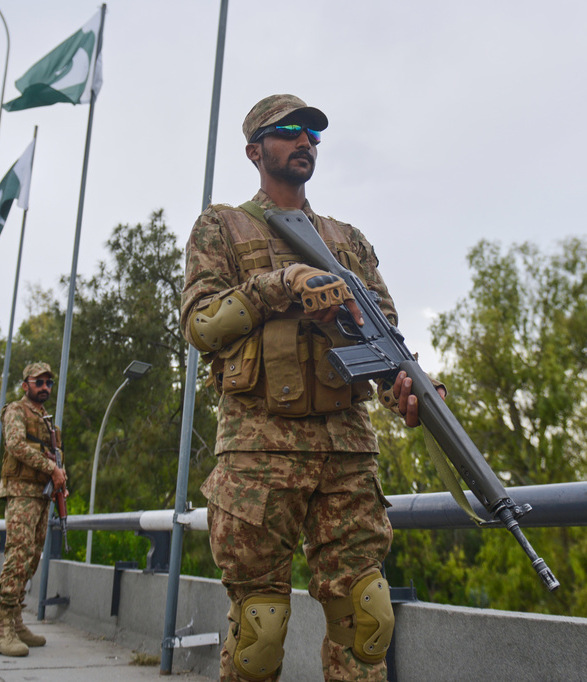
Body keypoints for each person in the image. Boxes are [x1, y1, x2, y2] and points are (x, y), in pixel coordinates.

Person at [180, 94, 445, 682]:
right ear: (255, 150)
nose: (306, 141)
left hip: (347, 453)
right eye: (290, 131)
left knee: (368, 619)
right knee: (261, 630)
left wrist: (409, 387)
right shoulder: (223, 225)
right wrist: (283, 283)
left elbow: (385, 338)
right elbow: (201, 324)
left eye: (314, 135)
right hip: (258, 455)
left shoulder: (346, 239)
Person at [0, 362, 67, 658]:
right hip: (21, 494)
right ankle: (2, 630)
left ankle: (17, 621)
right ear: (26, 385)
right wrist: (51, 467)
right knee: (18, 554)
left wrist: (61, 479)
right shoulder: (16, 411)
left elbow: (57, 456)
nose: (45, 387)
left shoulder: (47, 420)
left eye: (48, 382)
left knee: (32, 557)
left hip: (42, 495)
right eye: (39, 382)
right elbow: (15, 446)